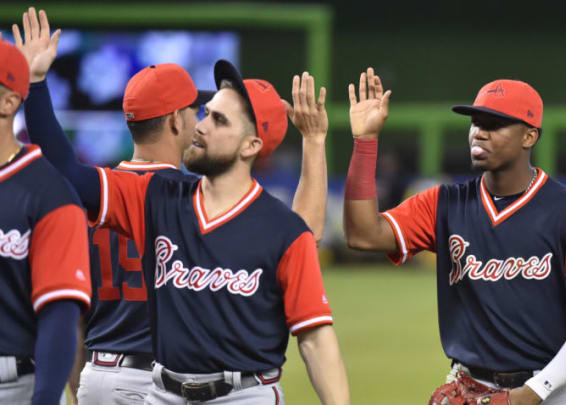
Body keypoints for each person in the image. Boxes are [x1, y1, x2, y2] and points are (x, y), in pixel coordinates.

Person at [16, 8, 339, 405]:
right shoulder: (175, 196)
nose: (200, 122)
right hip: (163, 379)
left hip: (104, 369)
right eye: (197, 112)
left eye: (214, 117)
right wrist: (315, 144)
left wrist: (36, 85)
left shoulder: (112, 194)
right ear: (174, 122)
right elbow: (304, 229)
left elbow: (71, 308)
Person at [343, 68, 566, 405]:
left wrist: (533, 393)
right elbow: (363, 234)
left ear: (529, 136)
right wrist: (365, 143)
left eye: (494, 124)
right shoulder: (445, 205)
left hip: (551, 389)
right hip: (470, 390)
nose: (479, 133)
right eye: (476, 123)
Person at [0, 36, 91, 405]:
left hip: (13, 385)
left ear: (8, 102)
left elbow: (59, 313)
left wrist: (46, 398)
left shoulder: (50, 194)